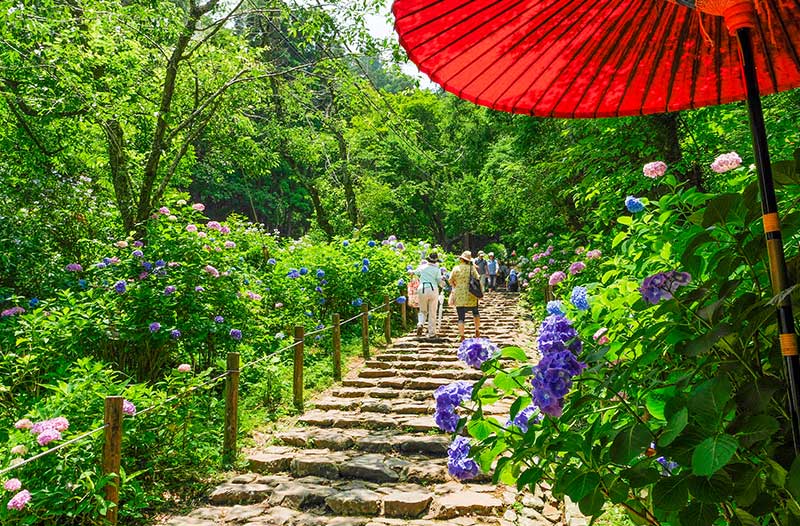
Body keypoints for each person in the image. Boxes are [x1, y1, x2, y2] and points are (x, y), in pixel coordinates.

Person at [450, 251, 481, 341]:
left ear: (461, 259)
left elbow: (450, 280)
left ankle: (462, 335)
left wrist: (456, 285)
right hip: (471, 294)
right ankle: (477, 330)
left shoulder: (456, 268)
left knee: (461, 317)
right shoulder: (472, 268)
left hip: (459, 295)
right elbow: (477, 279)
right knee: (475, 313)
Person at [415, 253, 445, 338]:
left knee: (422, 310)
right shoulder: (437, 269)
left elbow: (415, 273)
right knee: (432, 311)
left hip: (422, 288)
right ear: (436, 261)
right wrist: (443, 284)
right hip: (433, 289)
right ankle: (432, 333)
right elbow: (439, 281)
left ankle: (420, 323)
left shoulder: (422, 267)